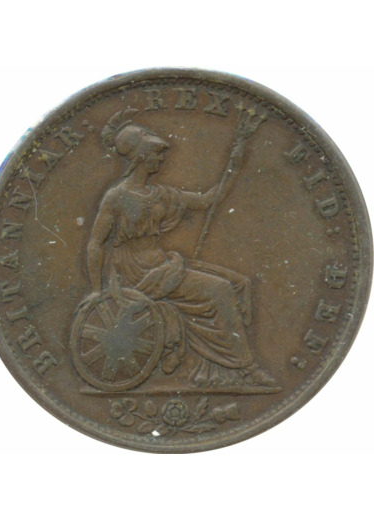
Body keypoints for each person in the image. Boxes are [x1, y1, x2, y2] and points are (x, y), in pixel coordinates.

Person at [86, 108, 275, 387]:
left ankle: (220, 368)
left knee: (238, 283)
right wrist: (96, 291)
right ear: (140, 155)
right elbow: (95, 243)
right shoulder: (116, 197)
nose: (161, 158)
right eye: (156, 153)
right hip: (135, 273)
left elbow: (209, 200)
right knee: (220, 289)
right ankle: (247, 369)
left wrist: (237, 155)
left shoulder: (161, 195)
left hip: (161, 266)